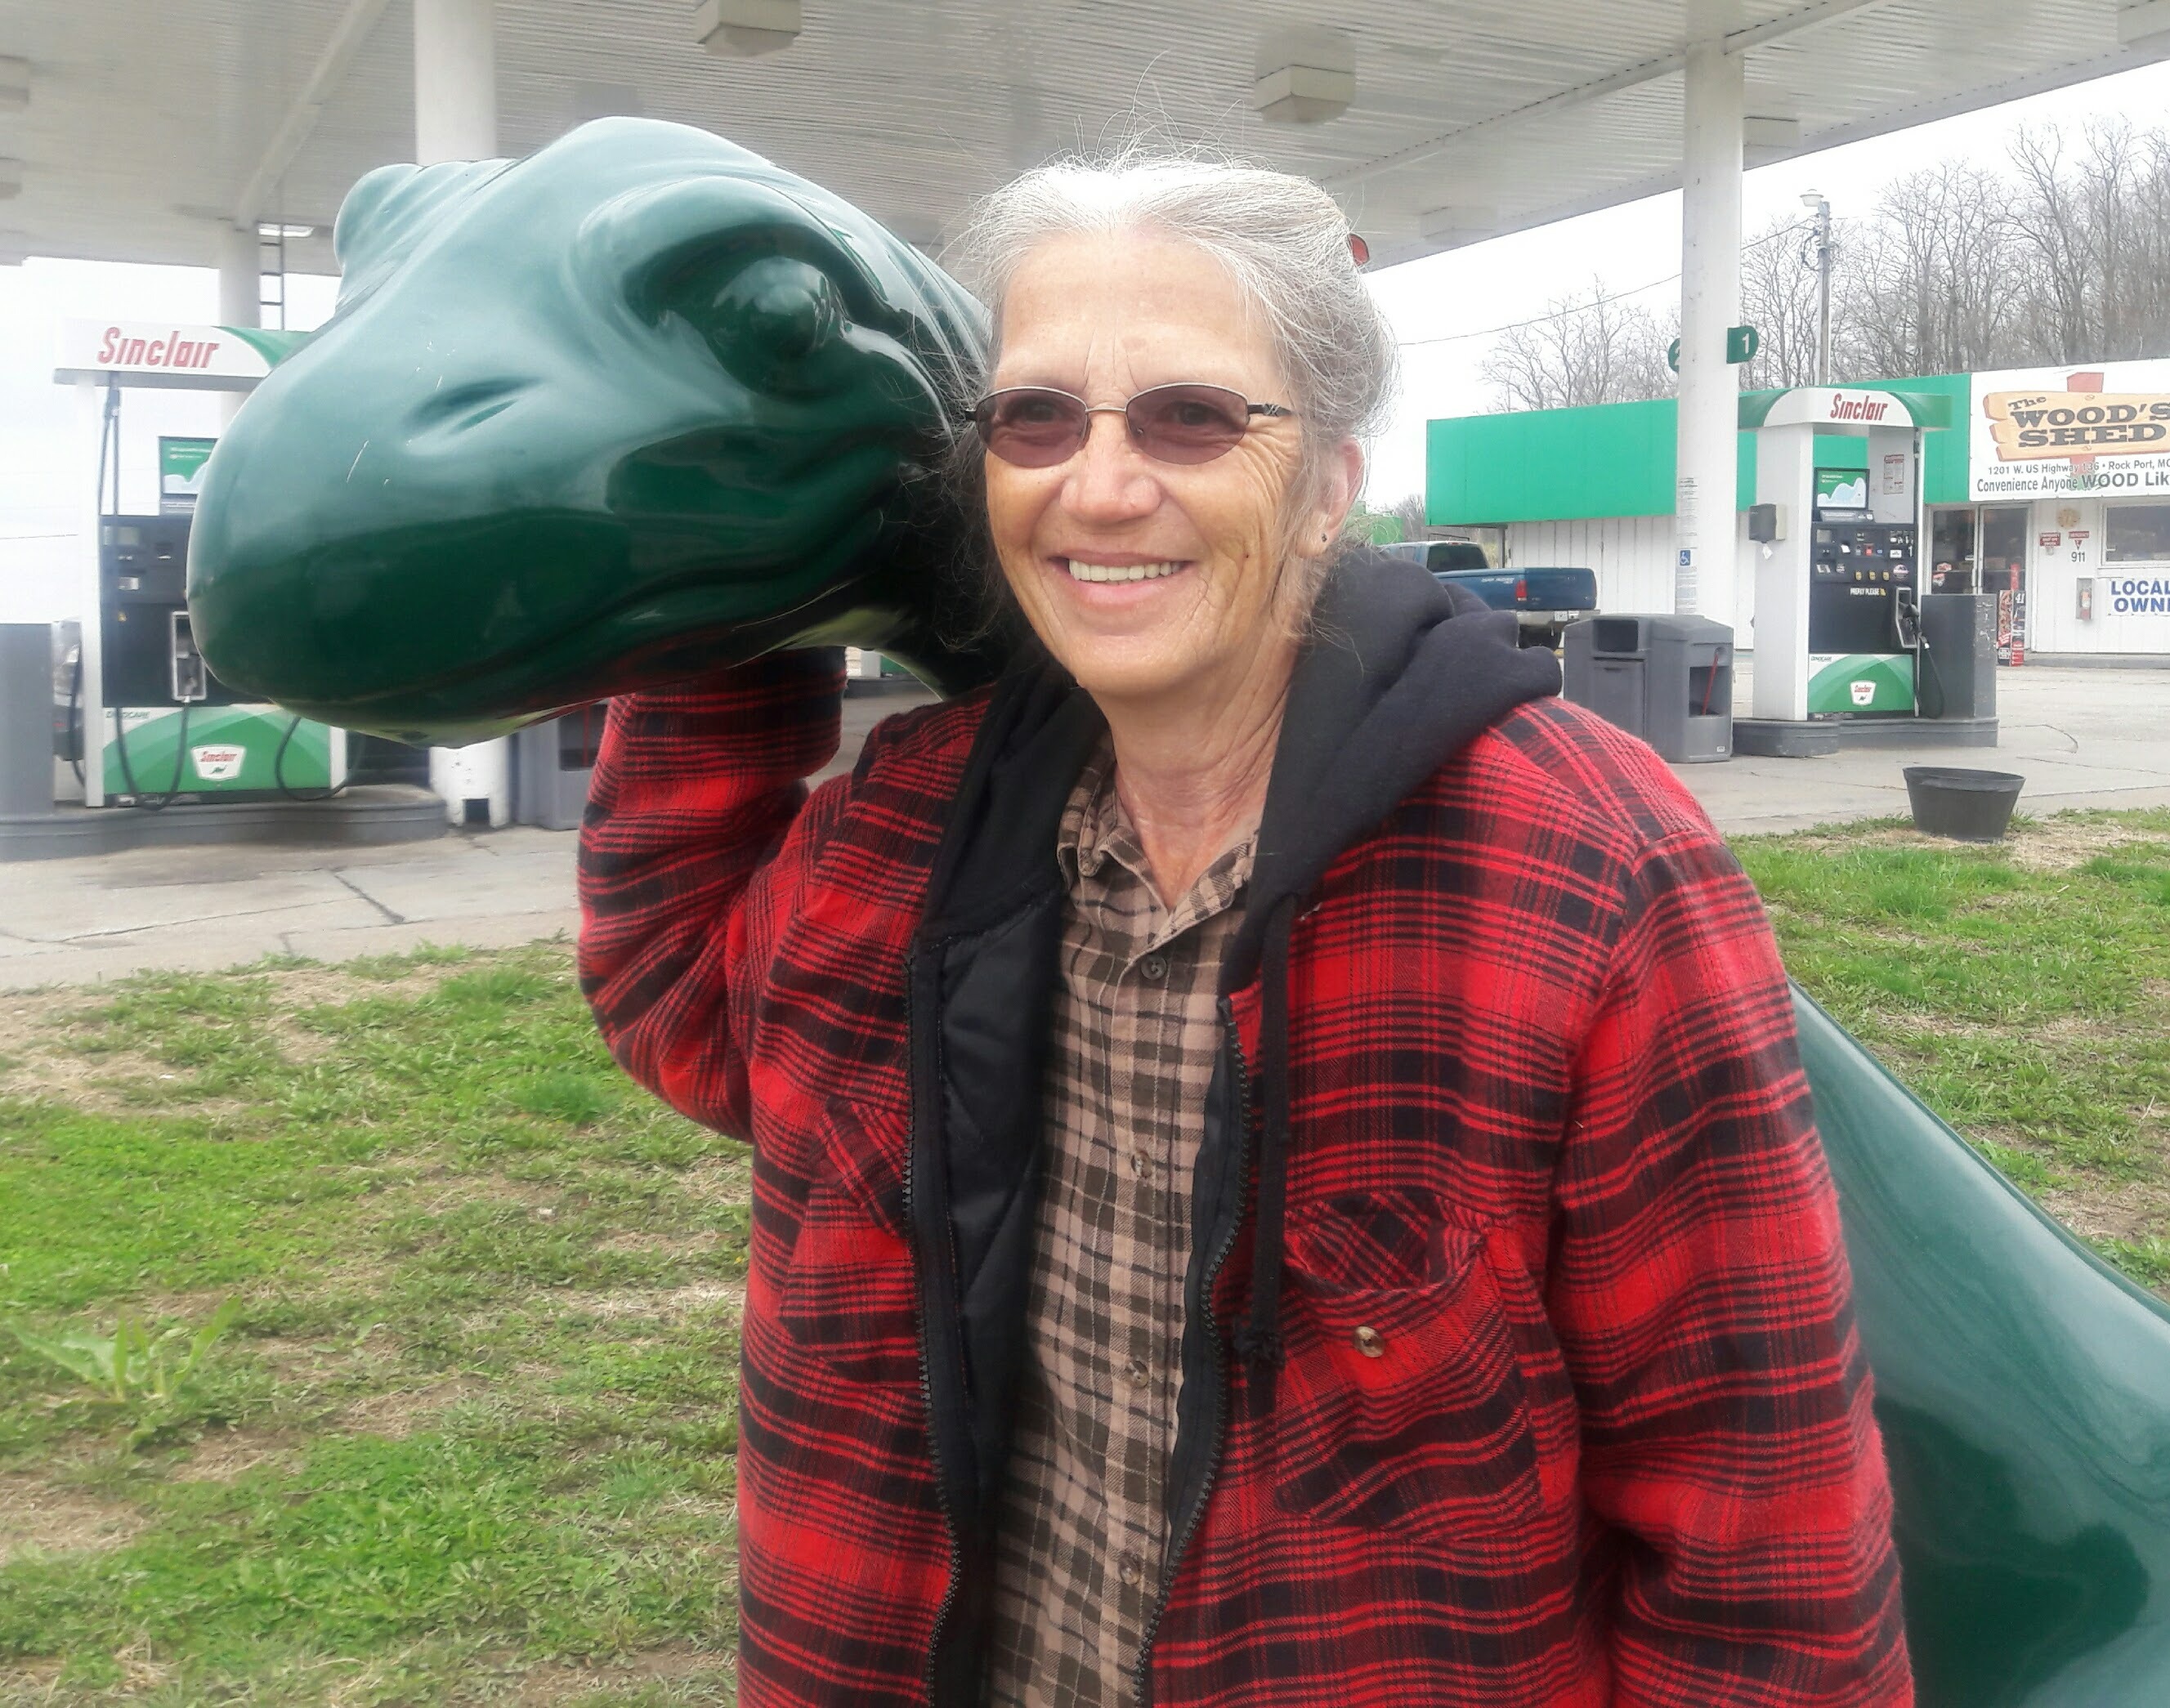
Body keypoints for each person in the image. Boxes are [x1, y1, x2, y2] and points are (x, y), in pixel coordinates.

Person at [579, 154, 1911, 1707]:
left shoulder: (1589, 874)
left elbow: (1764, 1551)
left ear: (1329, 486)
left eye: (1189, 417)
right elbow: (678, 1002)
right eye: (1036, 418)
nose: (1097, 487)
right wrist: (742, 574)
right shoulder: (901, 824)